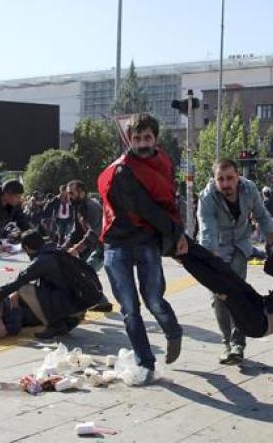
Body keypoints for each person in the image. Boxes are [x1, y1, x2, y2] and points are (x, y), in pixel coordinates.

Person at [98, 112, 186, 385]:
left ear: (155, 138)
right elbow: (145, 208)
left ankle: (173, 331)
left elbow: (168, 202)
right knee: (130, 309)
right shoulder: (124, 170)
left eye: (147, 137)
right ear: (129, 139)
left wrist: (177, 233)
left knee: (154, 299)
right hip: (118, 244)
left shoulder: (164, 164)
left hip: (146, 240)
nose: (142, 143)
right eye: (136, 138)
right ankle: (145, 363)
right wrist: (175, 233)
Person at [197, 159, 273, 364]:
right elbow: (207, 231)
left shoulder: (249, 189)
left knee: (236, 294)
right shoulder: (207, 198)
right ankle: (226, 343)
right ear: (214, 181)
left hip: (240, 246)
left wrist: (272, 240)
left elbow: (262, 215)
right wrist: (212, 265)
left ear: (237, 177)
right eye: (220, 179)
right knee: (218, 297)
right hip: (218, 248)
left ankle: (238, 345)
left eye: (230, 178)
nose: (226, 184)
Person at [0, 230, 101, 339]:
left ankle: (55, 325)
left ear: (28, 248)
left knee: (24, 289)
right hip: (81, 303)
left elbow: (16, 283)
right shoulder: (56, 250)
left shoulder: (42, 261)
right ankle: (66, 320)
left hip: (73, 306)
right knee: (40, 285)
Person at [62, 179, 113, 312]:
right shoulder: (78, 207)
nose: (69, 196)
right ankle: (98, 302)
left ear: (82, 193)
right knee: (78, 271)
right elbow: (76, 230)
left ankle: (101, 302)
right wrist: (65, 245)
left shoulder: (91, 207)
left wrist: (76, 248)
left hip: (102, 247)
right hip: (92, 247)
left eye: (71, 193)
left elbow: (94, 233)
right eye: (68, 193)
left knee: (86, 272)